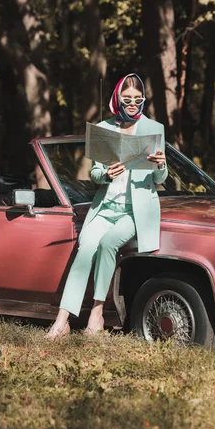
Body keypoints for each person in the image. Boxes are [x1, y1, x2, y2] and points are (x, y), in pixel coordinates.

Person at [46, 73, 168, 340]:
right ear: (118, 99)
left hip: (134, 212)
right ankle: (62, 320)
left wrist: (160, 164)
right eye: (128, 99)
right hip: (105, 208)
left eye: (138, 99)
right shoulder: (104, 128)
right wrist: (107, 174)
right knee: (85, 249)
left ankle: (97, 313)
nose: (133, 103)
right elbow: (95, 175)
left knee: (107, 244)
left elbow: (160, 179)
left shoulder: (153, 128)